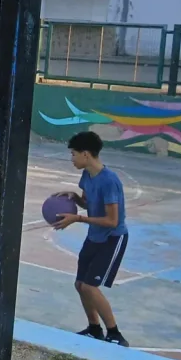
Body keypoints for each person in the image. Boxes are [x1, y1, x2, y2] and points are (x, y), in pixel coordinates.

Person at [51, 131, 130, 347]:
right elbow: (87, 203)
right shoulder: (86, 175)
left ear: (86, 154)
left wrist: (77, 218)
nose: (72, 158)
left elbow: (112, 220)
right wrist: (74, 198)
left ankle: (115, 334)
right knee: (80, 284)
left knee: (90, 287)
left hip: (112, 238)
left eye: (73, 154)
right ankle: (94, 329)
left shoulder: (109, 181)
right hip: (94, 236)